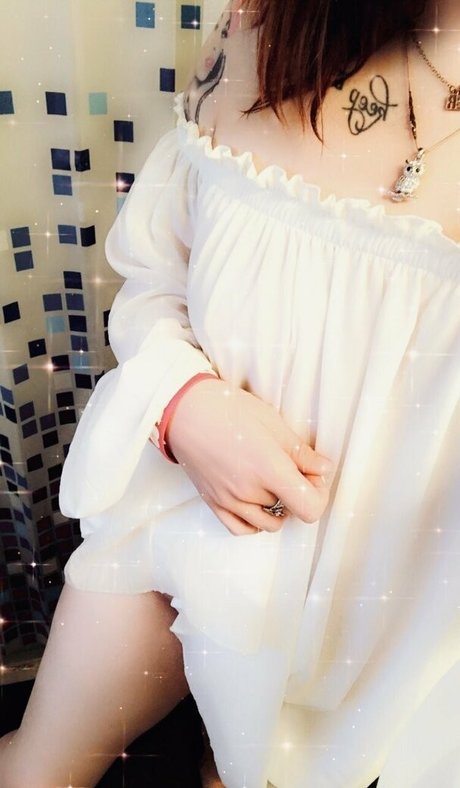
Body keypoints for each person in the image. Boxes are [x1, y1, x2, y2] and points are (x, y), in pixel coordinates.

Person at [1, 0, 459, 785]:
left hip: (411, 631)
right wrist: (183, 404)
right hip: (198, 541)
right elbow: (156, 275)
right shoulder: (265, 33)